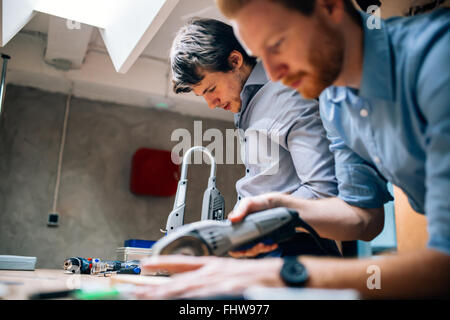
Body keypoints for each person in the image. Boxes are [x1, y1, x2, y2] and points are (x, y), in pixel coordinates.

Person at [137, 0, 450, 299]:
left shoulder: (438, 57)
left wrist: (285, 273)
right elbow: (363, 217)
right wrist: (275, 208)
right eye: (261, 54)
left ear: (328, 7)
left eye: (277, 45)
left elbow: (442, 265)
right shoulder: (335, 103)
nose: (272, 75)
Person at [169, 18, 345, 257]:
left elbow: (323, 191)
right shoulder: (246, 106)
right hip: (265, 245)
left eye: (211, 90)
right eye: (203, 96)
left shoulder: (286, 95)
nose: (210, 104)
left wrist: (257, 224)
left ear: (235, 61)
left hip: (296, 249)